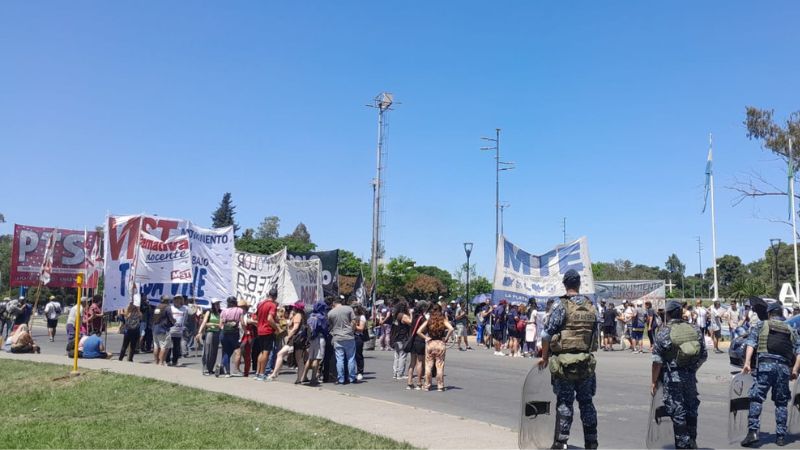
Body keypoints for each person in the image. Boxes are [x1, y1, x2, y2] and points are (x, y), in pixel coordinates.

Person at [538, 269, 599, 450]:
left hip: (564, 365)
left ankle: (560, 443)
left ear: (565, 284)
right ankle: (592, 442)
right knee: (587, 403)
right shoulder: (590, 305)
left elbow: (546, 334)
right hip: (586, 363)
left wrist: (544, 357)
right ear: (579, 284)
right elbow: (595, 335)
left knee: (565, 403)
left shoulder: (560, 305)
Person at [740, 301, 800, 447]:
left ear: (769, 313)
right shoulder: (791, 329)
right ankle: (780, 436)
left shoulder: (762, 325)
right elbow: (799, 352)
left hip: (765, 368)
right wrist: (795, 370)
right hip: (783, 369)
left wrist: (747, 363)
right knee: (781, 403)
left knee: (756, 398)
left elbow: (751, 344)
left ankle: (753, 432)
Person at [651, 300, 707, 449]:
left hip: (672, 378)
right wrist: (693, 369)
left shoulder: (664, 332)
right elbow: (703, 356)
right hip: (690, 376)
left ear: (668, 314)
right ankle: (692, 440)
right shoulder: (694, 329)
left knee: (677, 411)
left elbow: (657, 362)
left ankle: (683, 444)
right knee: (691, 408)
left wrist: (654, 381)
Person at [417, 303, 454, 392]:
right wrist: (446, 337)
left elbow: (419, 331)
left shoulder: (429, 320)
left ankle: (427, 385)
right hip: (440, 343)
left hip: (430, 343)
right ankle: (440, 386)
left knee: (428, 365)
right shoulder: (443, 320)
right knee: (439, 365)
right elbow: (451, 329)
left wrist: (426, 337)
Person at [268, 301, 307, 382]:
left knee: (280, 354)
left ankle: (275, 373)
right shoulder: (302, 315)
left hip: (294, 339)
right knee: (299, 359)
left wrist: (289, 336)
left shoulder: (298, 315)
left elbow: (295, 327)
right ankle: (299, 378)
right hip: (299, 339)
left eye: (293, 307)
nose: (292, 308)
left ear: (296, 308)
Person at [327, 296, 357, 384]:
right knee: (351, 358)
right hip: (348, 336)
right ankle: (352, 378)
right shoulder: (348, 309)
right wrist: (352, 330)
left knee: (339, 359)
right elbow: (354, 321)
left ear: (334, 303)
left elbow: (330, 325)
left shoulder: (331, 313)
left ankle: (341, 379)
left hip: (337, 337)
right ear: (342, 302)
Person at [300, 300, 328, 385]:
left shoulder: (311, 316)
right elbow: (325, 330)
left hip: (311, 339)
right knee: (317, 358)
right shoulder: (322, 317)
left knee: (310, 358)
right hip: (319, 339)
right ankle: (313, 378)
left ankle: (303, 377)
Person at [215, 296, 243, 377]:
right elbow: (242, 323)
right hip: (234, 333)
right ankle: (224, 366)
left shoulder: (223, 311)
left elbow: (220, 325)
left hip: (224, 333)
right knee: (237, 350)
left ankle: (227, 372)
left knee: (227, 352)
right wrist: (245, 331)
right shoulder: (239, 310)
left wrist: (225, 327)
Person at [255, 288, 279, 381]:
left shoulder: (261, 304)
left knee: (261, 352)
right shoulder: (272, 305)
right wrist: (277, 328)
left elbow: (256, 317)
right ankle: (262, 374)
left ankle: (258, 373)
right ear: (275, 296)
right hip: (267, 330)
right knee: (266, 352)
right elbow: (269, 318)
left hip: (260, 330)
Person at [405, 300, 428, 390]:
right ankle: (419, 383)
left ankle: (409, 382)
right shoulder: (422, 318)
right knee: (420, 362)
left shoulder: (413, 317)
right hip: (420, 341)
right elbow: (425, 330)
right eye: (425, 307)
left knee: (412, 362)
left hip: (412, 340)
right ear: (423, 308)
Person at [197, 298, 222, 375]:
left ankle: (210, 368)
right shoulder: (209, 312)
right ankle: (205, 369)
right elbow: (205, 323)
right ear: (213, 304)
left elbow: (221, 324)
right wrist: (199, 332)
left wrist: (216, 325)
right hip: (209, 333)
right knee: (207, 351)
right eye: (216, 304)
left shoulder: (220, 312)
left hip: (217, 333)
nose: (218, 305)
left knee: (214, 351)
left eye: (218, 303)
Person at [390, 300, 412, 380]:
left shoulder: (396, 315)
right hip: (402, 338)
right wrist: (411, 314)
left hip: (395, 337)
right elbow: (411, 323)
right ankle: (400, 373)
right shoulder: (403, 316)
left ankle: (395, 373)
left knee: (397, 356)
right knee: (402, 356)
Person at [152, 297, 175, 366]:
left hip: (155, 328)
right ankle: (161, 362)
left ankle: (156, 362)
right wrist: (174, 322)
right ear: (167, 301)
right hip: (163, 329)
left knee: (156, 346)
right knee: (164, 346)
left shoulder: (157, 307)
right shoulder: (167, 307)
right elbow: (170, 317)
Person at [353, 304, 368, 381]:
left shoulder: (361, 317)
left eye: (354, 308)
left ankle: (360, 372)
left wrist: (354, 325)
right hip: (350, 337)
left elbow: (361, 328)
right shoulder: (351, 317)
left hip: (358, 337)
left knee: (358, 355)